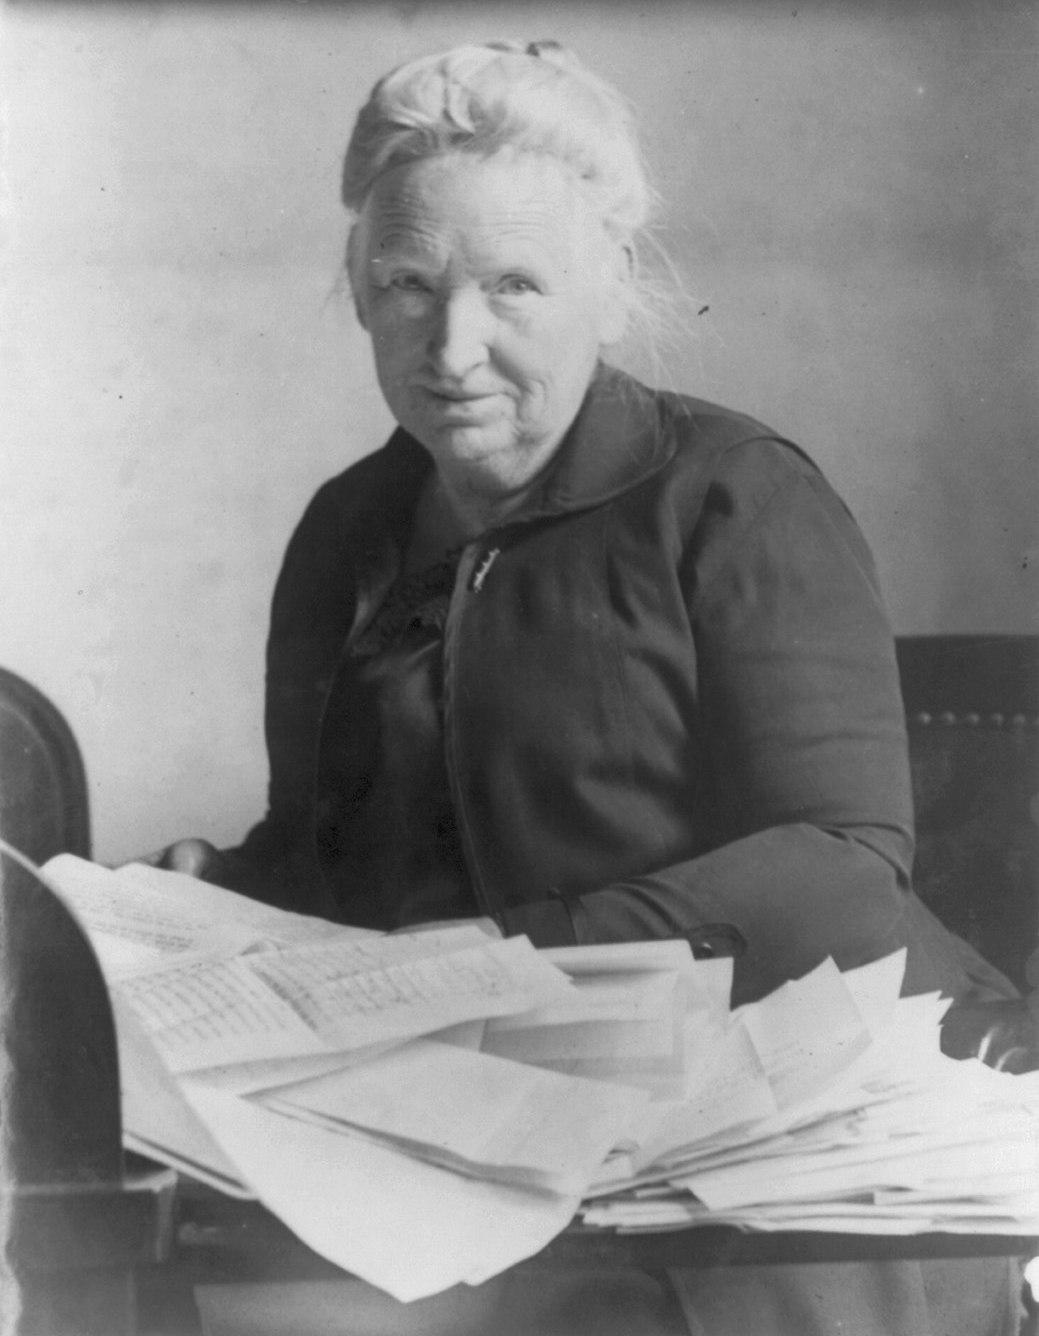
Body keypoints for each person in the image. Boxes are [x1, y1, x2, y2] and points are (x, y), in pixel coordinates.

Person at [146, 41, 1023, 1336]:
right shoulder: (350, 530)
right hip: (493, 1127)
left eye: (513, 285)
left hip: (800, 1135)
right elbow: (336, 856)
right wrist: (211, 896)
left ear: (612, 288)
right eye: (407, 284)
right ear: (355, 287)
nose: (454, 346)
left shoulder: (737, 496)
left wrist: (506, 965)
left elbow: (842, 863)